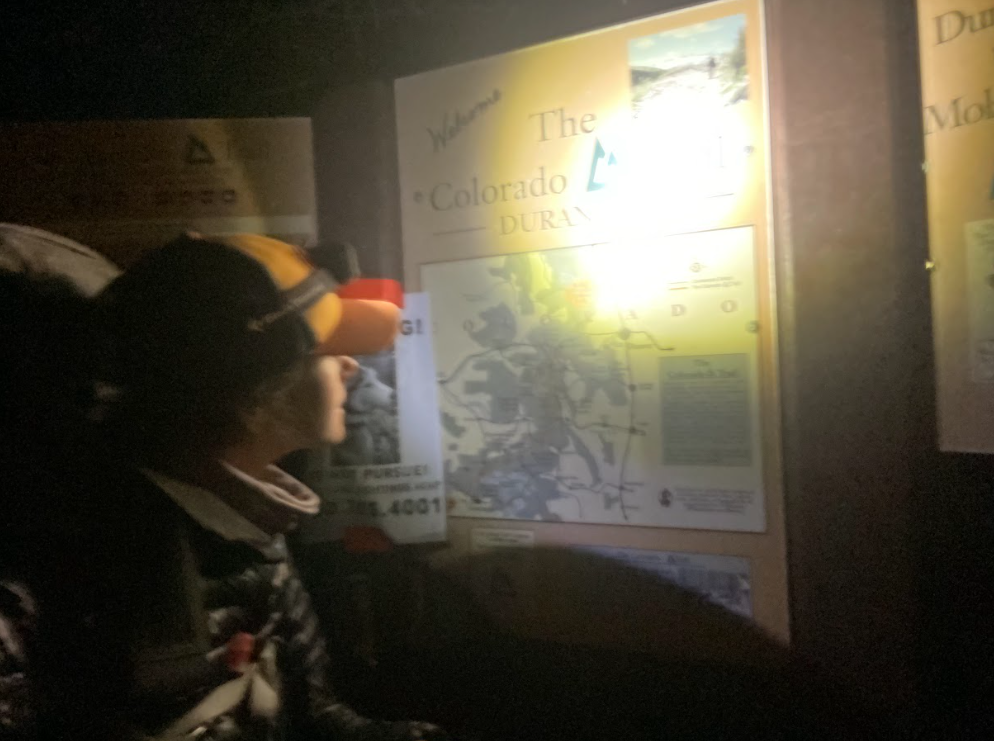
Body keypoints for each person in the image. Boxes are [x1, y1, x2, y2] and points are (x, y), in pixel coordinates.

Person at [94, 233, 449, 740]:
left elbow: (313, 717)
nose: (351, 366)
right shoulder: (63, 569)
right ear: (251, 389)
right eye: (331, 352)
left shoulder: (254, 525)